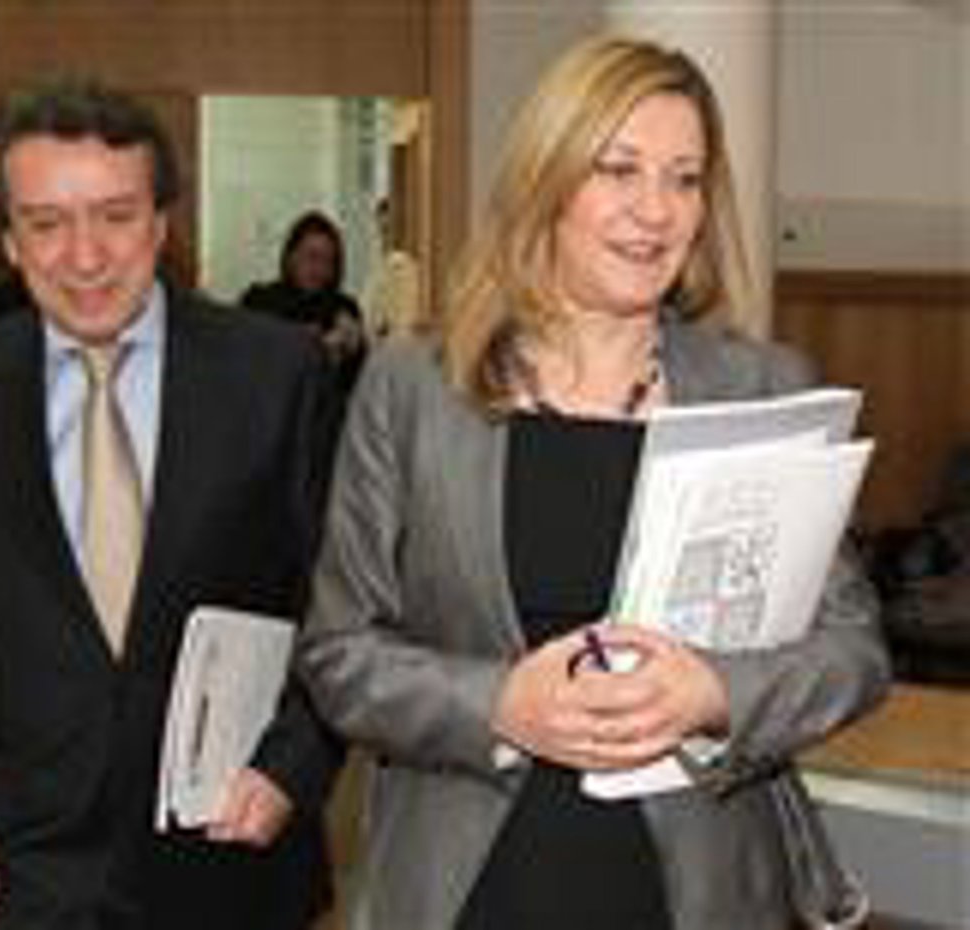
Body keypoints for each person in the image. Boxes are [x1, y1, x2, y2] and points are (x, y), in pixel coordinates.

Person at [296, 34, 890, 930]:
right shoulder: (413, 387)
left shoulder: (764, 388)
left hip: (699, 889)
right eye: (619, 169)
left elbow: (853, 652)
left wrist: (715, 694)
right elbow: (340, 653)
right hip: (470, 887)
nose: (656, 210)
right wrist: (499, 704)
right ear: (546, 178)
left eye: (685, 180)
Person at [0, 79, 342, 930]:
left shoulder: (276, 376)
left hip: (232, 849)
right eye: (47, 224)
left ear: (161, 223)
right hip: (14, 867)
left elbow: (342, 611)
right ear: (10, 242)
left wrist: (291, 769)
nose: (86, 257)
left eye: (116, 216)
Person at [241, 211, 366, 393]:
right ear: (291, 257)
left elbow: (356, 382)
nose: (319, 269)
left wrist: (355, 349)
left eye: (328, 261)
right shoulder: (259, 300)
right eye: (312, 257)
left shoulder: (343, 308)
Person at [359, 196, 423, 342]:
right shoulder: (379, 266)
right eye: (382, 229)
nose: (384, 236)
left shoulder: (402, 266)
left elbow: (403, 323)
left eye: (388, 229)